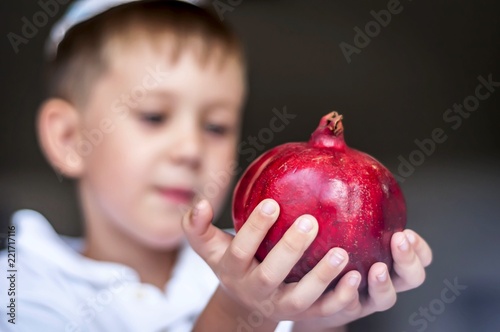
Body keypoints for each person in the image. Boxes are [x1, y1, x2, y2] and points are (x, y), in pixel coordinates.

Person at [0, 1, 432, 331]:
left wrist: (316, 316)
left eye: (216, 126)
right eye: (154, 117)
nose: (190, 148)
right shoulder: (22, 284)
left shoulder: (267, 272)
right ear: (69, 139)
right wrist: (240, 310)